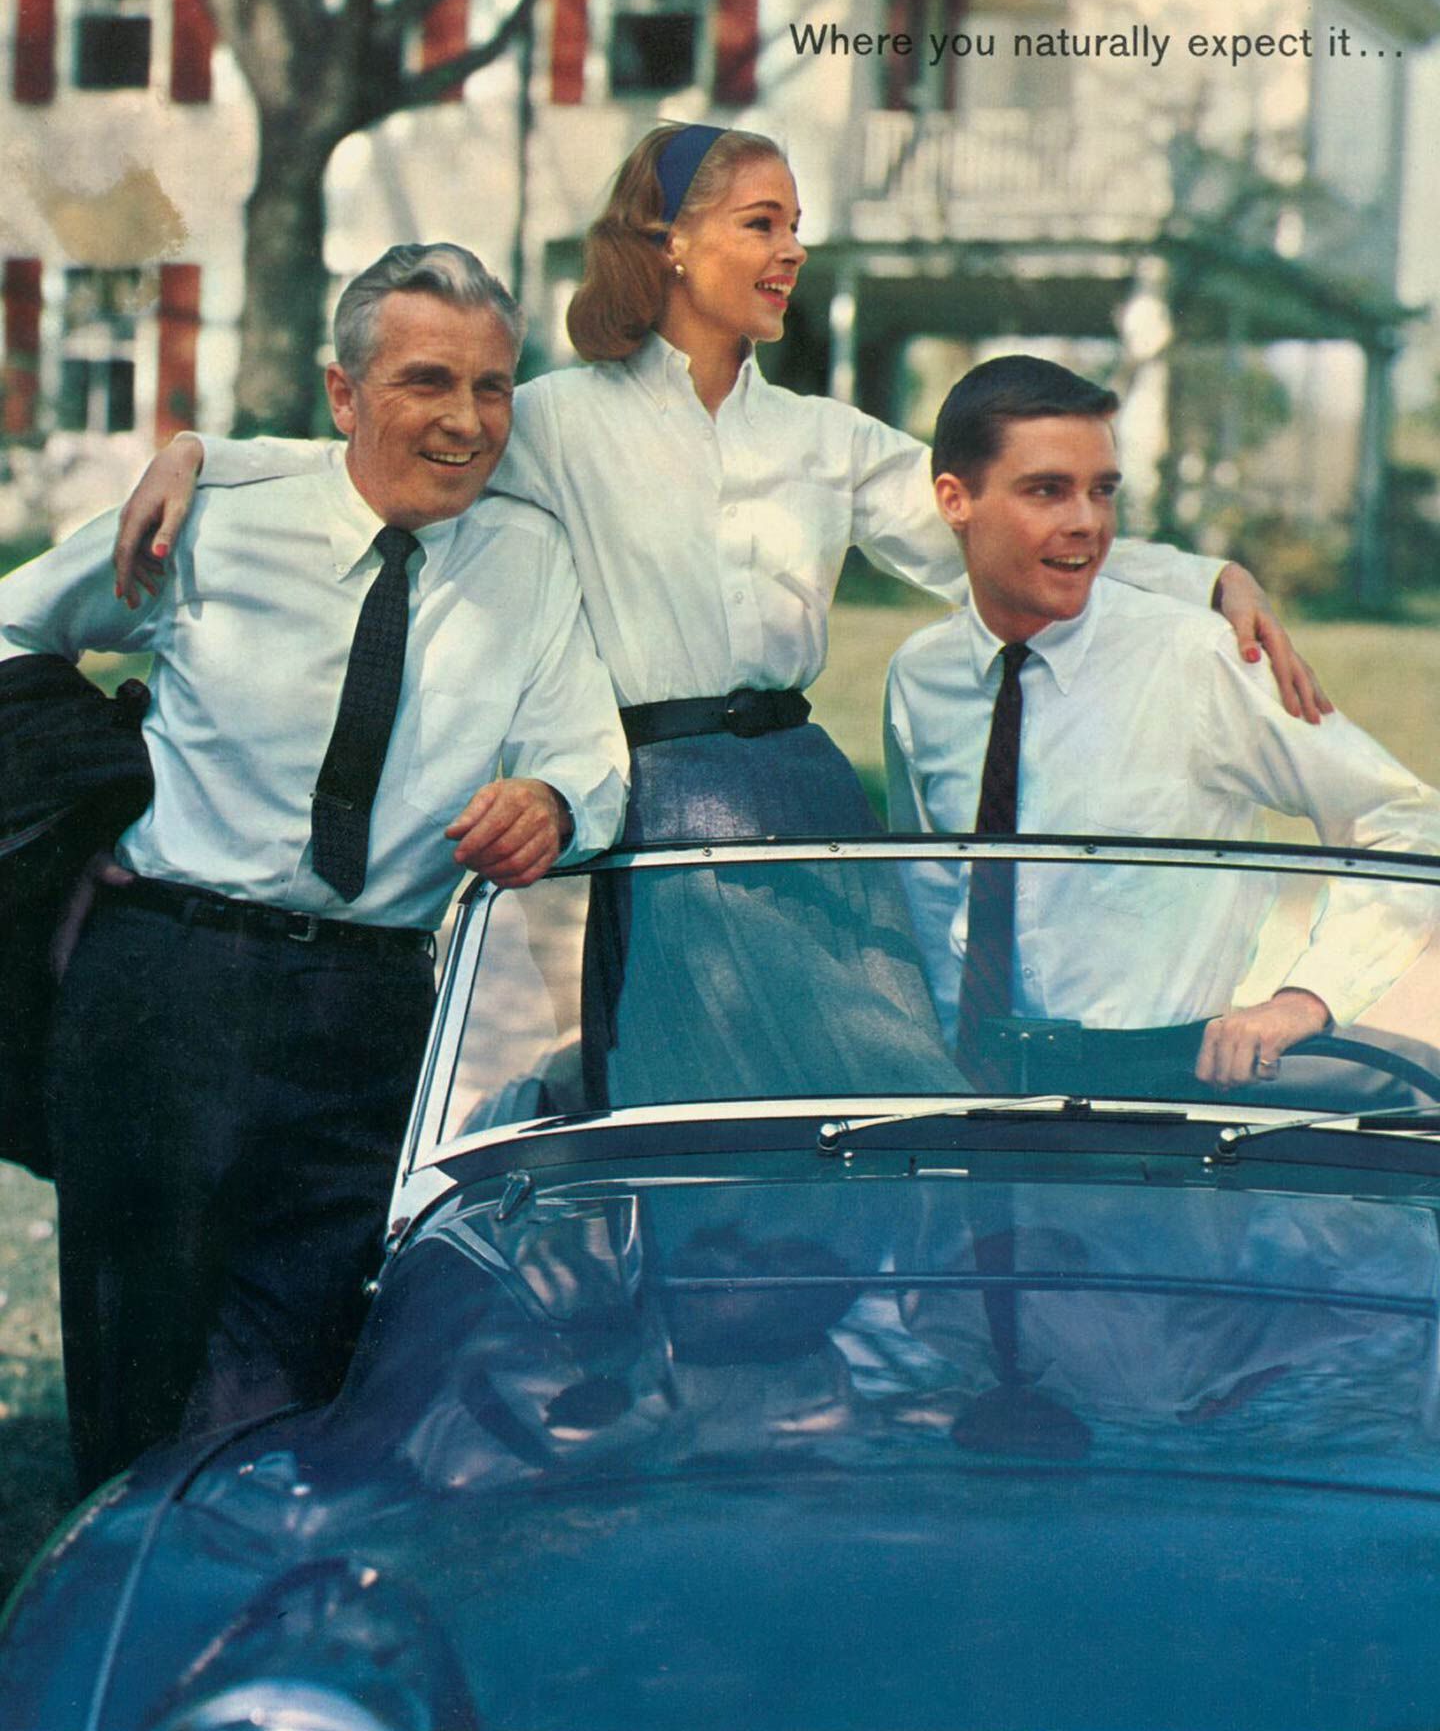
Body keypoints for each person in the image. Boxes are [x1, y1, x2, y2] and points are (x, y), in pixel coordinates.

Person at [109, 125, 1324, 1101]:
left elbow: (998, 537)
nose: (793, 250)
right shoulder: (555, 419)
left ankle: (818, 1369)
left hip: (799, 786)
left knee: (847, 1086)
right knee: (676, 1099)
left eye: (797, 226)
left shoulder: (819, 437)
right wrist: (204, 456)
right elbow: (394, 453)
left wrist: (1198, 577)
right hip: (639, 801)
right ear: (671, 242)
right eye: (762, 224)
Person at [0, 242, 628, 1491]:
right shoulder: (214, 527)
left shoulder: (528, 561)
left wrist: (552, 800)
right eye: (425, 382)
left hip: (372, 1008)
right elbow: (16, 626)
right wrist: (93, 782)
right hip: (167, 985)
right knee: (142, 1374)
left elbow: (585, 751)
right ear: (345, 397)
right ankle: (126, 1653)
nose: (464, 421)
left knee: (312, 1368)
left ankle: (282, 1649)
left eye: (494, 388)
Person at [883, 354, 1440, 1095]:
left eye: (1102, 491)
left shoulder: (1199, 659)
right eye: (1047, 491)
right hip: (976, 1089)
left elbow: (1403, 821)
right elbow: (928, 896)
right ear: (955, 499)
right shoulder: (921, 678)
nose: (1086, 522)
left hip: (1169, 1089)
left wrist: (1303, 1002)